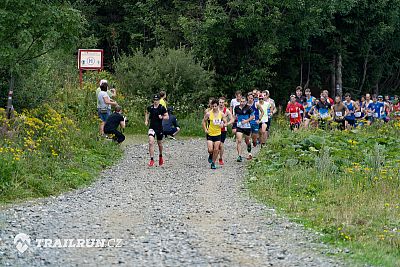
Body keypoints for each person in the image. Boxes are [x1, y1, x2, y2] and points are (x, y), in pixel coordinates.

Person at [202, 99, 227, 169]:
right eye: (213, 106)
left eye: (215, 106)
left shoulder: (221, 114)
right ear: (211, 106)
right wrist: (205, 129)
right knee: (210, 149)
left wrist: (223, 125)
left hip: (218, 134)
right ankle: (210, 154)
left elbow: (225, 122)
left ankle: (213, 163)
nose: (214, 108)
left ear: (218, 106)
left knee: (216, 149)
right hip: (210, 133)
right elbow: (203, 122)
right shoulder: (208, 114)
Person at [145, 94, 169, 167]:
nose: (156, 101)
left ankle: (160, 156)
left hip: (159, 128)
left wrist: (161, 117)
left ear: (159, 100)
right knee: (151, 142)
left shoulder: (162, 108)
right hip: (152, 127)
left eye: (157, 100)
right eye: (155, 100)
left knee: (159, 143)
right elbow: (146, 112)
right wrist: (146, 120)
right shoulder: (150, 107)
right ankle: (151, 159)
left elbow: (167, 117)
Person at [234, 97, 255, 162]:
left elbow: (253, 116)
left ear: (246, 102)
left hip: (247, 126)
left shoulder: (248, 108)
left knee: (247, 141)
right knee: (239, 140)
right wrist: (234, 121)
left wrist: (246, 121)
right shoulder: (236, 108)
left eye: (243, 101)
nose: (242, 103)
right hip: (239, 126)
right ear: (239, 101)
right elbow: (235, 116)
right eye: (241, 101)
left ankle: (249, 152)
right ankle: (239, 156)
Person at [218, 97, 234, 165]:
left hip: (223, 129)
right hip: (215, 129)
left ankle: (220, 158)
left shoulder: (226, 111)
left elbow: (232, 119)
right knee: (215, 144)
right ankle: (213, 155)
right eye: (220, 102)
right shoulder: (215, 109)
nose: (221, 104)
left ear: (224, 103)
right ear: (218, 103)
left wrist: (227, 123)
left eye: (222, 102)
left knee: (221, 145)